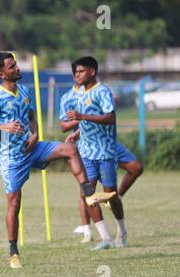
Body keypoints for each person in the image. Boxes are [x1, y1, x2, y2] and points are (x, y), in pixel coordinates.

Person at [0, 53, 116, 269]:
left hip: (33, 148)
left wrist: (34, 135)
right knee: (14, 203)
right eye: (12, 66)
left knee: (69, 149)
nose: (17, 67)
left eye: (15, 64)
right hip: (12, 158)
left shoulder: (23, 90)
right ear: (1, 73)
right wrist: (4, 127)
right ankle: (13, 252)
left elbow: (32, 118)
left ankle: (89, 194)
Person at [60, 67, 143, 243]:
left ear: (90, 72)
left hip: (107, 145)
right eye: (75, 72)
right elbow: (64, 125)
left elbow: (107, 117)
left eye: (81, 71)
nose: (77, 74)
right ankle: (92, 233)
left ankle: (118, 208)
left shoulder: (100, 91)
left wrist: (82, 118)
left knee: (125, 178)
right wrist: (78, 125)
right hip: (87, 148)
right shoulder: (69, 97)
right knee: (87, 191)